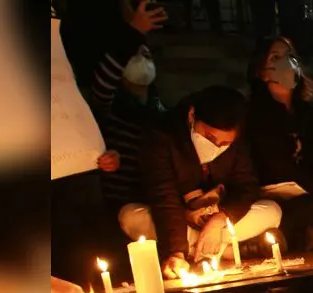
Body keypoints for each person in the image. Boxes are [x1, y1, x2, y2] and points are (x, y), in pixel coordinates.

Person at [121, 86, 283, 279]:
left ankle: (203, 249)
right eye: (209, 138)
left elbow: (246, 187)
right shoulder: (162, 138)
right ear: (192, 115)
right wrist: (175, 252)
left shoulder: (238, 145)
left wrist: (219, 219)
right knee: (130, 216)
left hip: (221, 223)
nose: (215, 147)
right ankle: (227, 250)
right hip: (180, 223)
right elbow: (164, 197)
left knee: (272, 211)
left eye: (224, 144)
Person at [247, 37, 313, 251]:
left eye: (290, 57)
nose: (286, 63)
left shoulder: (308, 113)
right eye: (276, 57)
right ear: (261, 71)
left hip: (312, 196)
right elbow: (283, 168)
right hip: (276, 201)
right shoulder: (255, 115)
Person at [89, 44, 166, 212]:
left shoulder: (160, 110)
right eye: (134, 55)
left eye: (146, 55)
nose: (141, 61)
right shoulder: (109, 106)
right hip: (117, 201)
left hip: (151, 200)